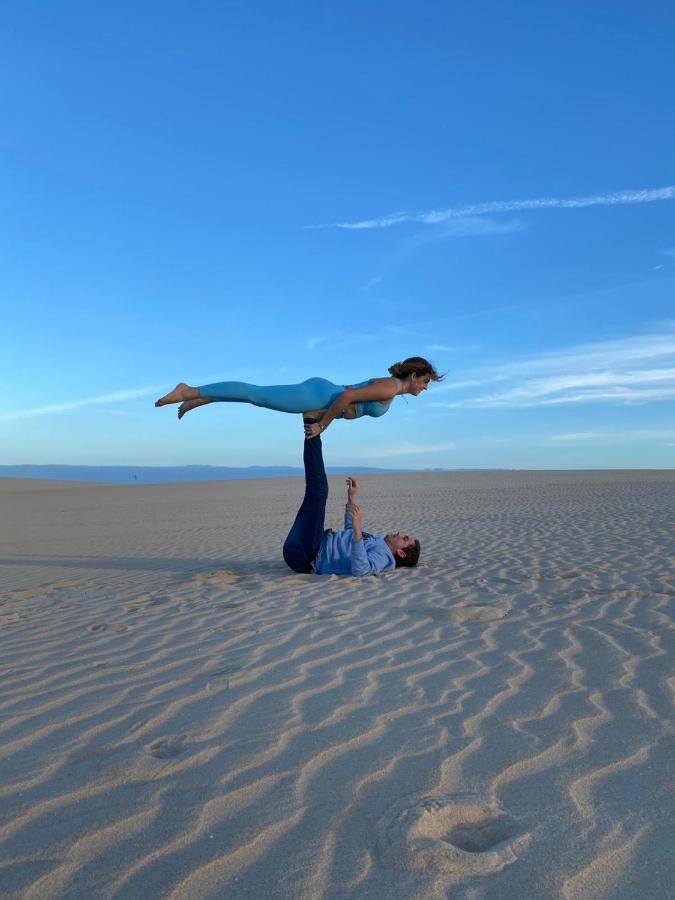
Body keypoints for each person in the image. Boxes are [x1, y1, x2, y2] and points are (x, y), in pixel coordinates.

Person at [154, 357, 442, 437]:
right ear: (414, 376)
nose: (426, 387)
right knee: (258, 395)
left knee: (259, 397)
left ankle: (207, 397)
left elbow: (352, 405)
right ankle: (189, 390)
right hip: (319, 394)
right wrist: (321, 426)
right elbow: (346, 397)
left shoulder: (391, 390)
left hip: (319, 397)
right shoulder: (390, 388)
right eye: (426, 381)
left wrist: (324, 418)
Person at [282, 417, 421, 576]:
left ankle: (312, 422)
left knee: (319, 490)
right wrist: (351, 498)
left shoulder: (384, 557)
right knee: (317, 490)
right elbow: (350, 534)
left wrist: (357, 528)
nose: (399, 533)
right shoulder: (378, 543)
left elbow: (361, 570)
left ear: (401, 553)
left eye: (405, 538)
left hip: (307, 554)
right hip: (310, 544)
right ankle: (312, 423)